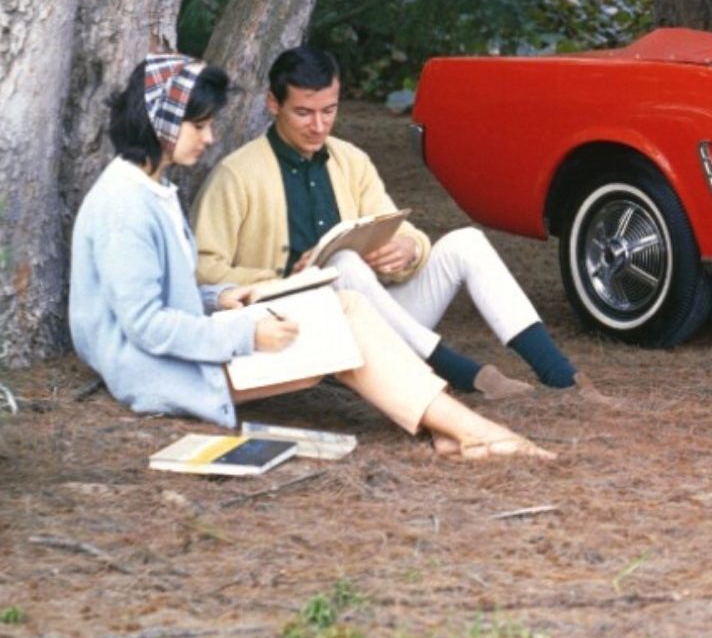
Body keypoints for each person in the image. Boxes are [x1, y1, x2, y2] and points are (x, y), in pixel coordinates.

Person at [69, 54, 551, 460]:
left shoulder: (152, 189)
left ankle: (453, 428)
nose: (210, 137)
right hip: (164, 371)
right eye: (199, 126)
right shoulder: (125, 204)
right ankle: (469, 428)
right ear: (161, 123)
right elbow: (147, 326)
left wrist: (225, 296)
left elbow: (174, 296)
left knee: (348, 307)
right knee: (342, 319)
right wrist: (247, 331)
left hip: (201, 345)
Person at [193, 45, 598, 401]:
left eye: (329, 111)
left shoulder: (351, 160)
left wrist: (408, 249)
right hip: (294, 330)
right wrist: (282, 278)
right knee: (343, 265)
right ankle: (455, 370)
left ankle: (560, 375)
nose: (318, 126)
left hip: (377, 322)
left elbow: (400, 230)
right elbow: (202, 270)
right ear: (273, 103)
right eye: (303, 113)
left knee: (466, 243)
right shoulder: (236, 174)